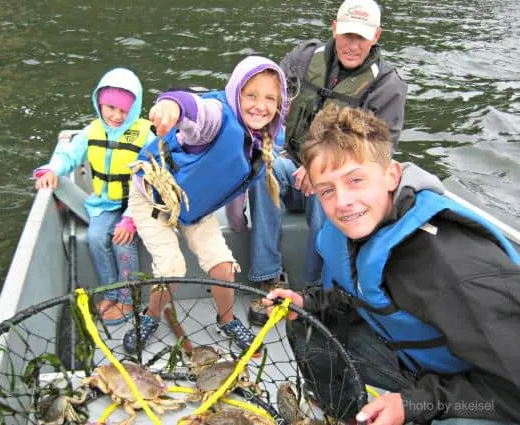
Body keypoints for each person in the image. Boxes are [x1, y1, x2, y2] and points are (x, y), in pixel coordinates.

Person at [263, 103, 520, 424]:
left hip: (483, 395)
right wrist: (308, 302)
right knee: (307, 322)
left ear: (391, 175)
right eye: (327, 190)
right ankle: (346, 415)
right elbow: (355, 296)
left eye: (355, 180)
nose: (342, 202)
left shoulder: (453, 268)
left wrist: (416, 404)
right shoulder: (350, 232)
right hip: (413, 363)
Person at [247, 0, 407, 327]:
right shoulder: (304, 58)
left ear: (375, 36)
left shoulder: (387, 86)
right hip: (292, 166)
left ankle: (313, 292)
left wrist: (324, 168)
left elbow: (377, 152)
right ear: (334, 28)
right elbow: (264, 94)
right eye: (347, 34)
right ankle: (267, 277)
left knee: (330, 194)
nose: (352, 45)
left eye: (361, 38)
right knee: (265, 171)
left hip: (339, 179)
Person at [122, 56, 288, 355]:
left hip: (195, 207)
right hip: (153, 196)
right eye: (250, 95)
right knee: (172, 266)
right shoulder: (216, 119)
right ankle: (150, 316)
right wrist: (171, 106)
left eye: (269, 98)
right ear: (235, 93)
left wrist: (238, 224)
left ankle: (225, 320)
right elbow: (192, 109)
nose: (259, 105)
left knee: (224, 267)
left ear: (279, 103)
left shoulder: (262, 141)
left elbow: (234, 184)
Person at [34, 68, 154, 326]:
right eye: (110, 108)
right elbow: (68, 155)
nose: (116, 116)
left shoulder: (146, 136)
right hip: (107, 203)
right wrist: (51, 170)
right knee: (95, 237)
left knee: (123, 241)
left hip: (137, 204)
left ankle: (128, 297)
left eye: (124, 111)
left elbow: (152, 180)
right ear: (99, 103)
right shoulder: (92, 130)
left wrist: (131, 219)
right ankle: (111, 292)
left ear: (134, 110)